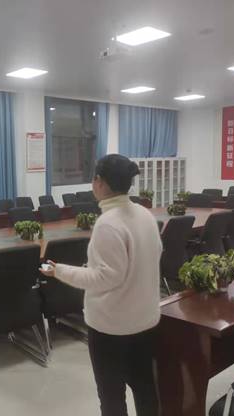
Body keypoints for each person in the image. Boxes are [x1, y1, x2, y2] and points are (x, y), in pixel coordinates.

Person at [40, 154, 162, 416]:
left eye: (94, 178)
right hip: (145, 320)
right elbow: (149, 257)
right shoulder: (144, 214)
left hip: (112, 327)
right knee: (145, 388)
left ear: (100, 182)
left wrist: (59, 271)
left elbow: (104, 278)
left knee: (111, 396)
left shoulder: (108, 223)